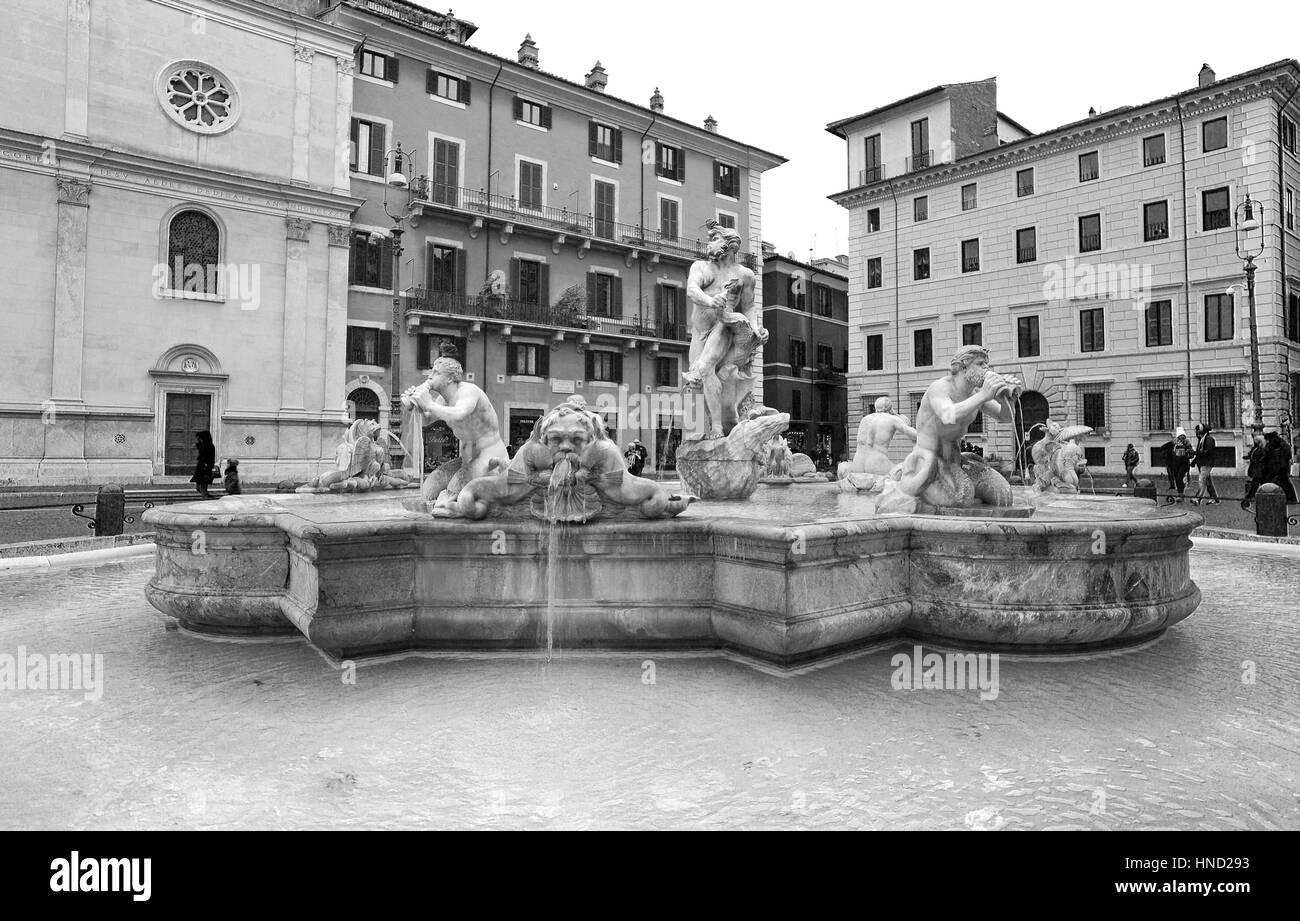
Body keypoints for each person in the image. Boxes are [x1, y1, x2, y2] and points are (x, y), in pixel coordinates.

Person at [1263, 430, 1298, 501]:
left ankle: (1291, 498)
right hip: (1275, 467)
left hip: (1281, 467)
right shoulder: (1274, 444)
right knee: (1280, 482)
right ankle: (1288, 497)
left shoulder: (1282, 445)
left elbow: (1286, 456)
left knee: (1285, 482)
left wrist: (1280, 466)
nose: (1267, 441)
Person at [1191, 423, 1219, 505]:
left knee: (1202, 480)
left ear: (1201, 431)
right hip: (1202, 463)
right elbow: (1200, 452)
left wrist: (1195, 452)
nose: (1196, 432)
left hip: (1207, 463)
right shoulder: (1202, 439)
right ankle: (1215, 498)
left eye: (1197, 430)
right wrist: (1194, 461)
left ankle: (1197, 499)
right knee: (1207, 481)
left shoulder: (1209, 439)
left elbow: (1208, 451)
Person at [190, 431, 216, 499]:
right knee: (204, 480)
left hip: (204, 465)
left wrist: (205, 464)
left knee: (204, 480)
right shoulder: (207, 445)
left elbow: (206, 456)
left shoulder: (207, 446)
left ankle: (204, 494)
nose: (198, 439)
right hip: (205, 465)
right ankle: (205, 493)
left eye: (199, 438)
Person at [1169, 427, 1193, 501]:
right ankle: (1179, 493)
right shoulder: (1174, 443)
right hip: (1176, 464)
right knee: (1176, 479)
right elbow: (1171, 453)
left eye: (1183, 437)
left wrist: (1186, 453)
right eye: (1180, 437)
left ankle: (1181, 495)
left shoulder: (1187, 443)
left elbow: (1191, 453)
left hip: (1184, 464)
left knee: (1180, 478)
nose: (1181, 438)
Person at [1244, 434, 1267, 503]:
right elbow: (1251, 454)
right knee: (1259, 482)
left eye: (1256, 440)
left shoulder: (1262, 449)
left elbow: (1263, 457)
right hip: (1255, 467)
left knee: (1255, 482)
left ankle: (1250, 496)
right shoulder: (1255, 448)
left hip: (1259, 468)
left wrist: (1256, 460)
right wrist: (1247, 457)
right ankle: (1255, 495)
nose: (1254, 441)